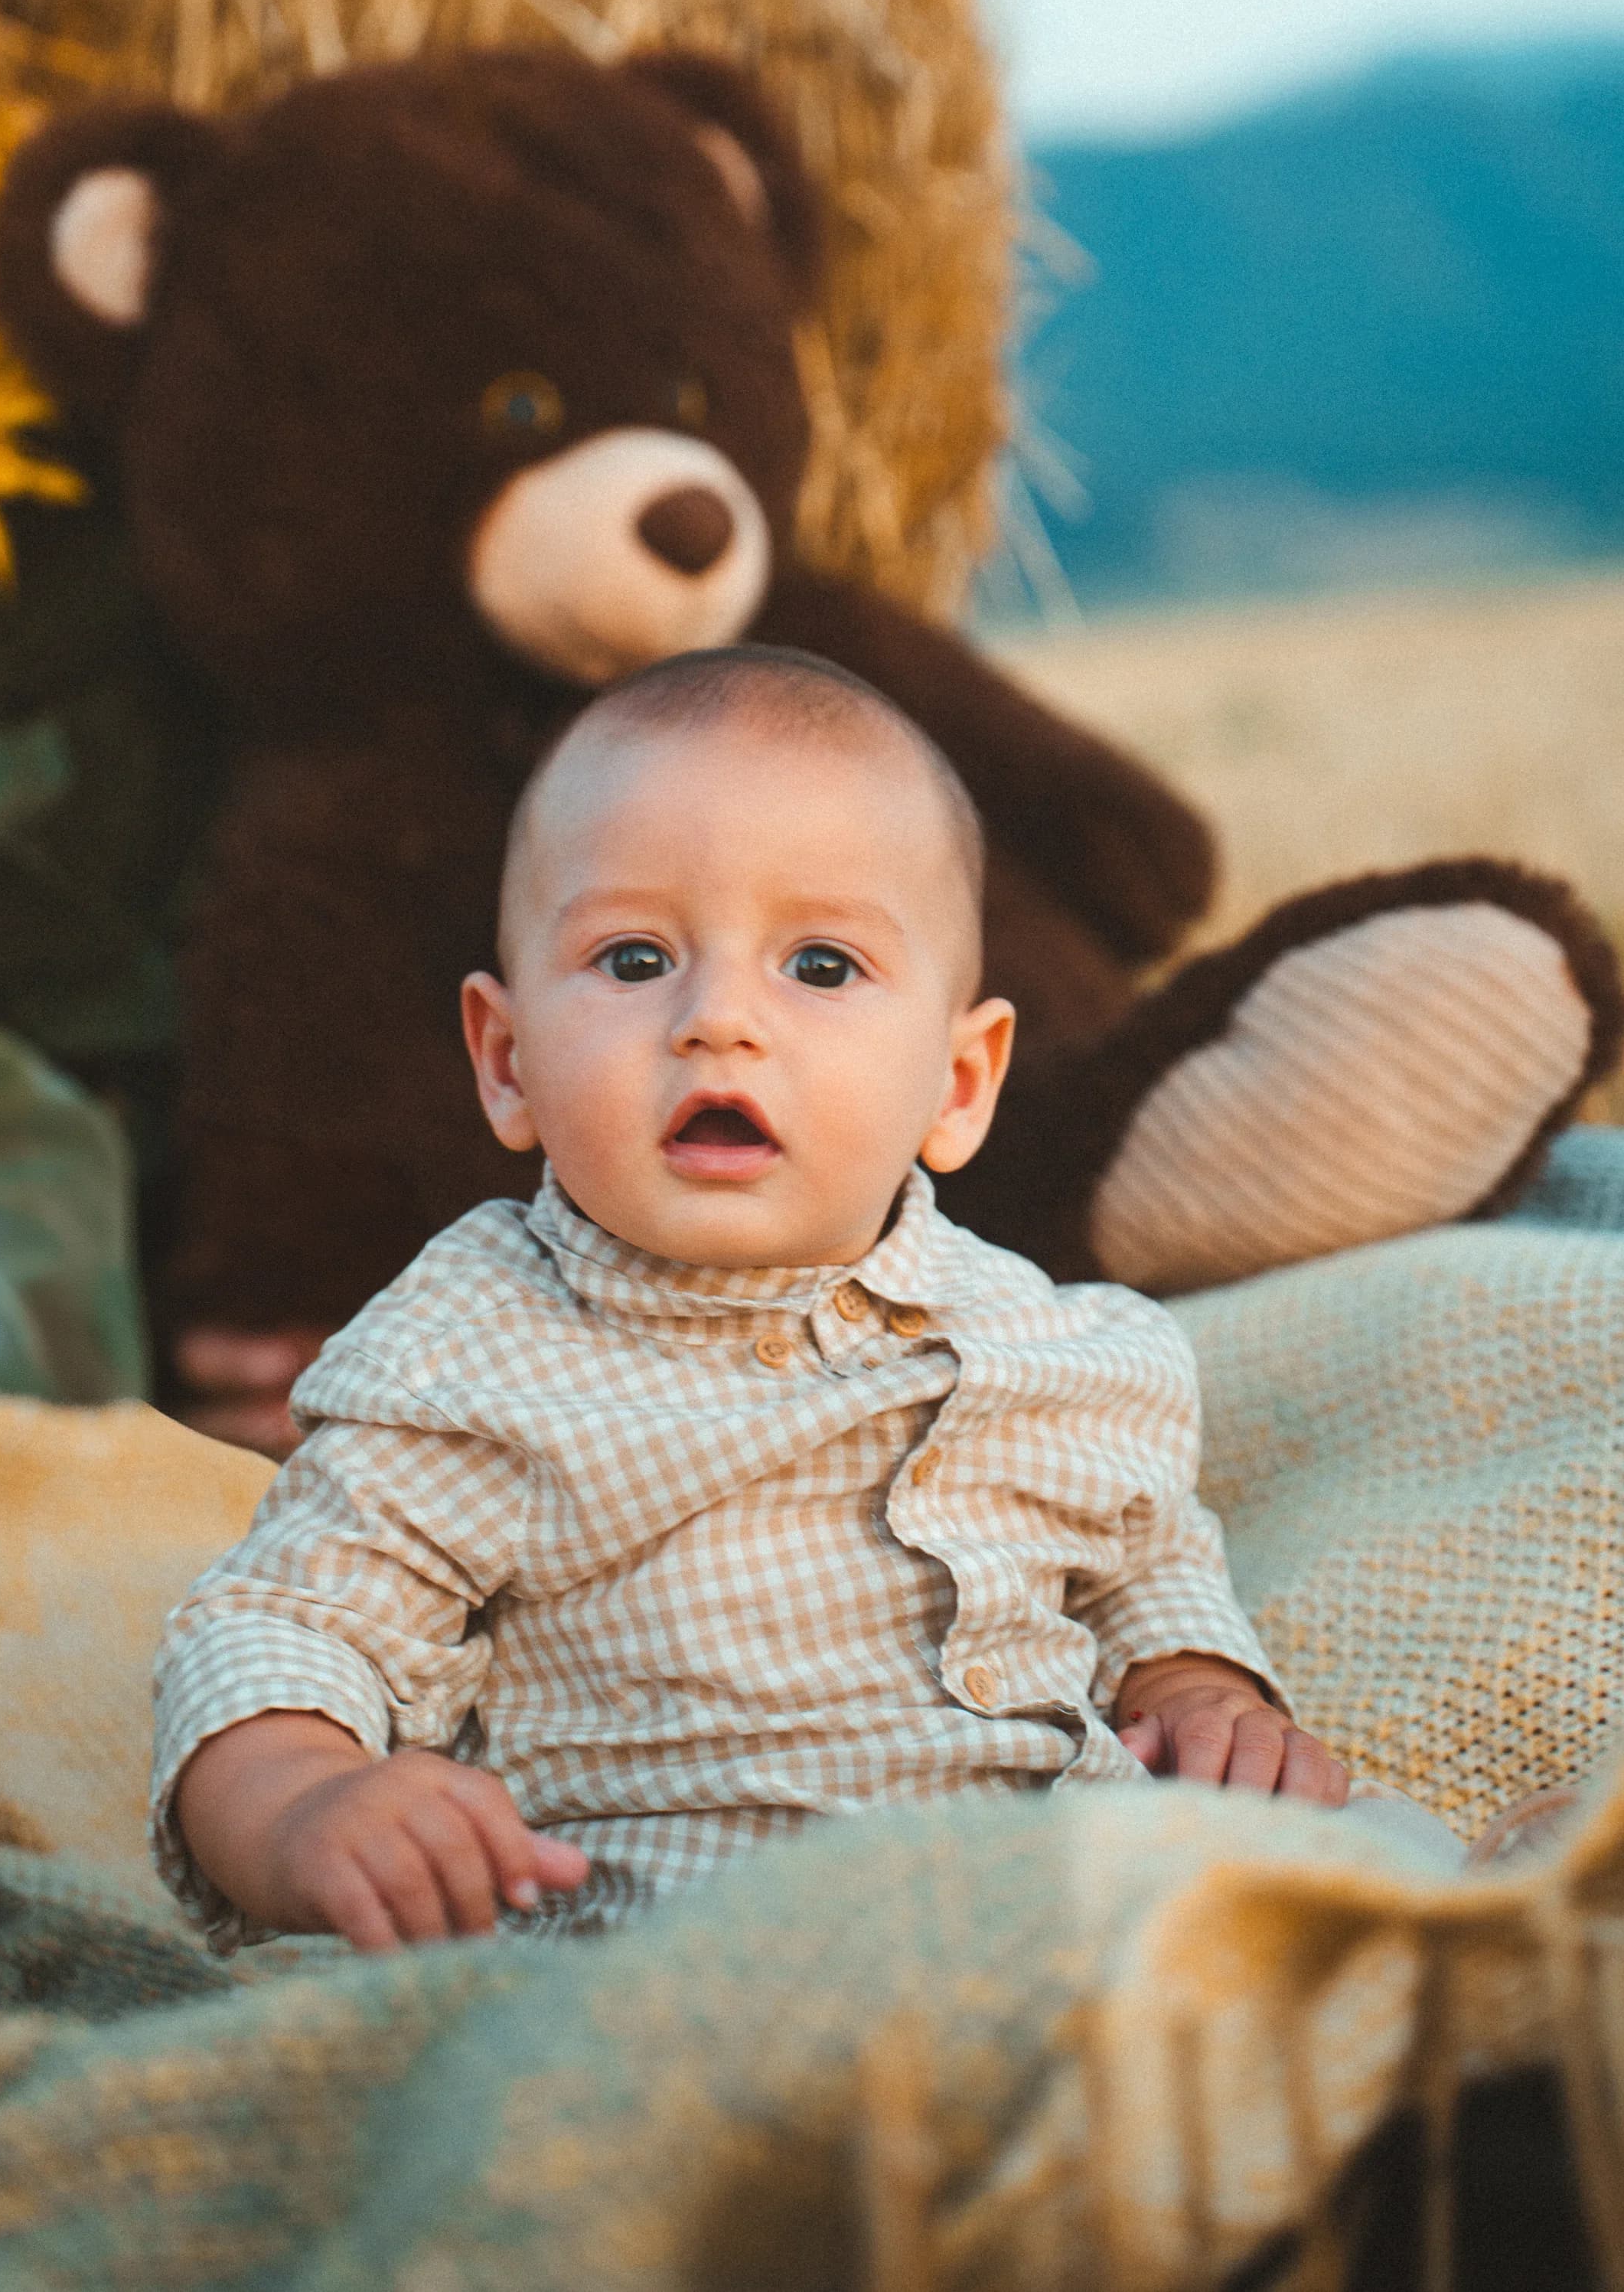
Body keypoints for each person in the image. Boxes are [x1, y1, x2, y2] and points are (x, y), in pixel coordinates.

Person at [153, 645, 1358, 1954]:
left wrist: (1196, 1684)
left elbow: (1139, 1550)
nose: (718, 1018)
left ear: (959, 1084)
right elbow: (283, 1629)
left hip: (1068, 1900)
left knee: (1375, 1870)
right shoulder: (466, 1356)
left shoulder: (1052, 1343)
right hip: (675, 1960)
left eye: (822, 967)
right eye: (632, 959)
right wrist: (305, 1807)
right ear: (506, 1062)